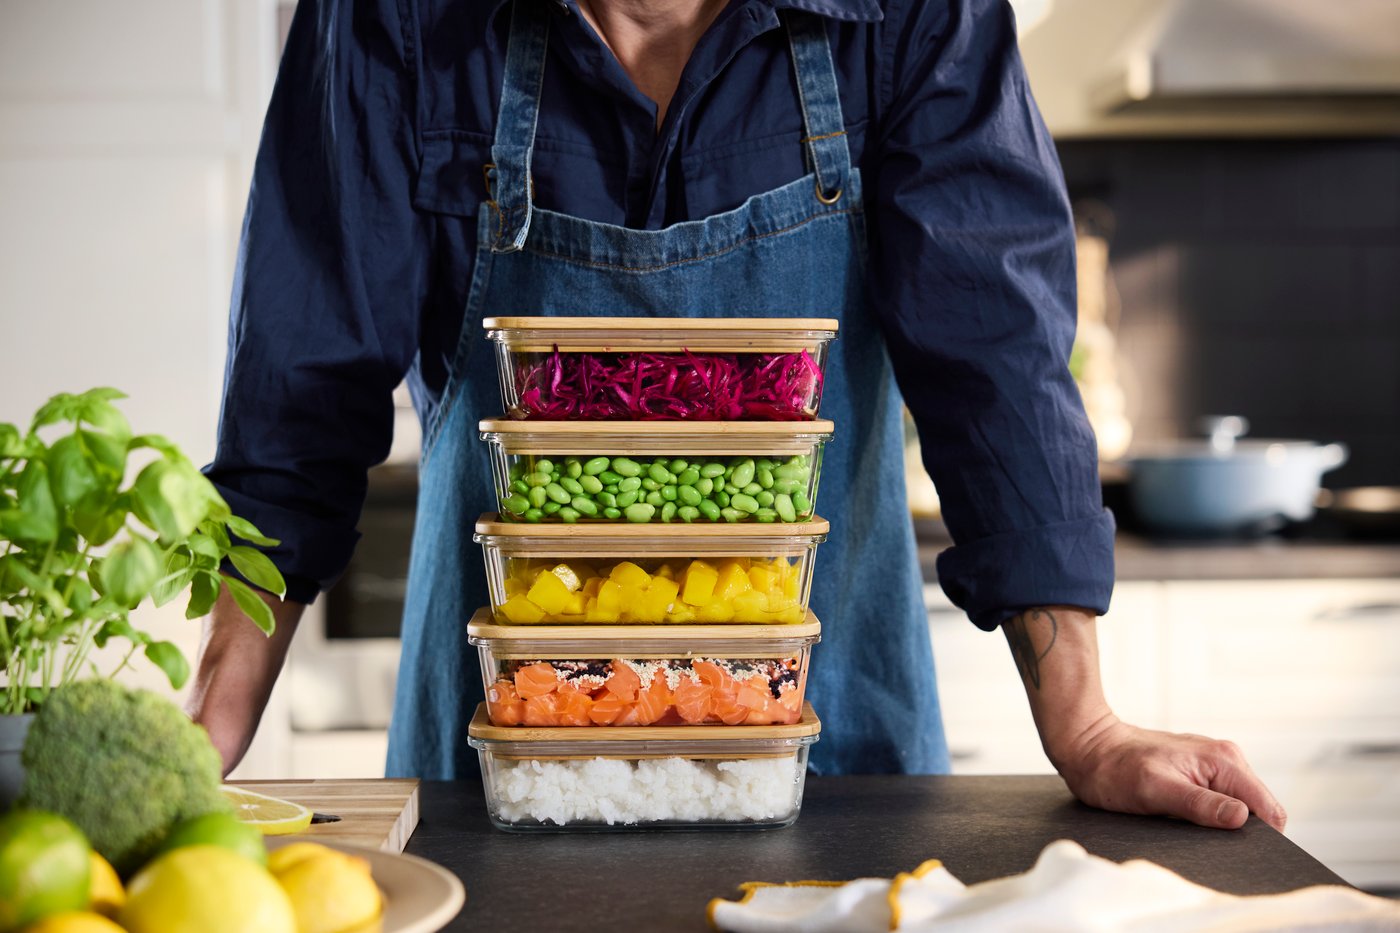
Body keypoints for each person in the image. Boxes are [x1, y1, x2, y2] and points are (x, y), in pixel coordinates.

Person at [189, 0, 1286, 832]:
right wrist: (209, 730)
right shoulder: (393, 16)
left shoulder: (909, 14)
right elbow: (299, 388)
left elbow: (993, 355)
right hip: (501, 760)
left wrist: (1084, 722)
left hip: (831, 749)